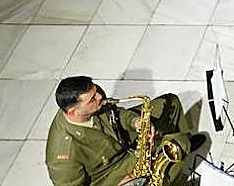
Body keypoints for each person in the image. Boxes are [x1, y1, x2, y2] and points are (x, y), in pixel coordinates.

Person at [45, 75, 198, 186]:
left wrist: (134, 121)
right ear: (74, 112)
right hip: (111, 175)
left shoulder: (92, 104)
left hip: (121, 140)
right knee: (179, 146)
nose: (100, 96)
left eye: (96, 90)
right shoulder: (62, 153)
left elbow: (115, 113)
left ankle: (180, 146)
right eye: (92, 98)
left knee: (170, 103)